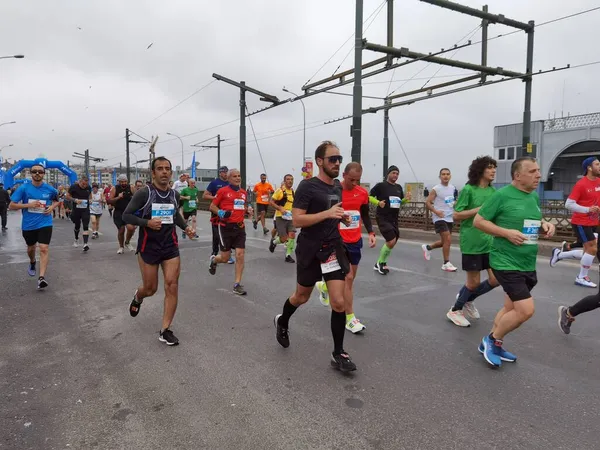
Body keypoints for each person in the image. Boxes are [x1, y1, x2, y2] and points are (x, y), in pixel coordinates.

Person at [273, 141, 357, 372]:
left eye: (339, 158)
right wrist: (328, 213)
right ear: (320, 161)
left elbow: (331, 214)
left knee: (338, 302)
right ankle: (282, 321)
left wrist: (340, 218)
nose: (337, 163)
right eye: (333, 159)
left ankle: (338, 352)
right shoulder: (307, 186)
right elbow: (298, 220)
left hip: (332, 248)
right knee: (301, 297)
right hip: (310, 248)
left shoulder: (337, 187)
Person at [474, 157, 555, 367]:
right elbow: (478, 221)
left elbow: (531, 221)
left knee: (510, 308)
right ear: (518, 175)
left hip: (527, 262)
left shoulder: (533, 197)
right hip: (505, 261)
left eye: (538, 170)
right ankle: (491, 340)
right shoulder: (501, 196)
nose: (538, 175)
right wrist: (505, 233)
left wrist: (544, 224)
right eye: (532, 171)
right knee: (525, 310)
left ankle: (494, 343)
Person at [122, 156, 195, 346]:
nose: (164, 171)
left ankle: (165, 330)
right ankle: (138, 297)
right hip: (149, 246)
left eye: (167, 168)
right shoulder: (144, 194)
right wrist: (146, 223)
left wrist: (186, 227)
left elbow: (174, 215)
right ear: (153, 173)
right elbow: (126, 215)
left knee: (172, 285)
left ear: (171, 173)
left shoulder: (174, 195)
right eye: (160, 168)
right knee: (150, 288)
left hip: (170, 246)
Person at [316, 162, 377, 333]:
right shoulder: (334, 190)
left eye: (358, 180)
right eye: (352, 180)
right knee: (348, 278)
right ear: (343, 175)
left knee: (350, 278)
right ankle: (350, 318)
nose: (355, 183)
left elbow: (364, 213)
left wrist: (371, 233)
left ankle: (324, 286)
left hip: (355, 240)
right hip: (336, 240)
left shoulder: (362, 193)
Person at [446, 156, 499, 327]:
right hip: (472, 240)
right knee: (474, 282)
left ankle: (468, 299)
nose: (493, 171)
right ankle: (455, 309)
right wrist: (477, 210)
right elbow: (456, 215)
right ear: (480, 170)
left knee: (495, 279)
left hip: (489, 241)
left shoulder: (493, 192)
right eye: (489, 167)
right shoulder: (468, 190)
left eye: (494, 168)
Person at [549, 156, 600, 288]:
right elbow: (569, 204)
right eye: (597, 164)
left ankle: (559, 254)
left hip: (594, 222)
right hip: (581, 222)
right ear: (589, 168)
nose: (599, 167)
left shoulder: (599, 182)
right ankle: (581, 277)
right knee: (592, 249)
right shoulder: (581, 184)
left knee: (587, 252)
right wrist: (587, 209)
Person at [9, 163, 59, 290]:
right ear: (31, 173)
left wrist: (52, 207)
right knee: (31, 249)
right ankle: (32, 262)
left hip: (45, 222)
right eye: (34, 171)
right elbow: (12, 206)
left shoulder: (50, 189)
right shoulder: (23, 188)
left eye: (40, 172)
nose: (37, 173)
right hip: (29, 225)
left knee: (43, 248)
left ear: (43, 174)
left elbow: (58, 199)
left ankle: (41, 278)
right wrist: (28, 205)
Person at [209, 169, 253, 295]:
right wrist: (221, 212)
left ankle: (237, 284)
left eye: (239, 176)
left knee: (240, 255)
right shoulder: (222, 191)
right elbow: (212, 206)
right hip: (225, 227)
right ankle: (214, 260)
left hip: (239, 227)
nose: (238, 178)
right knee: (225, 257)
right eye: (234, 176)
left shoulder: (243, 193)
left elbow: (241, 208)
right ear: (228, 179)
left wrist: (247, 211)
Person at [369, 165, 410, 275]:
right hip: (383, 217)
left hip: (394, 218)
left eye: (397, 173)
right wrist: (378, 203)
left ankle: (379, 262)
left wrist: (406, 200)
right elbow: (369, 197)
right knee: (391, 240)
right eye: (393, 173)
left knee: (394, 240)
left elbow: (399, 202)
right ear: (388, 174)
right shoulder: (381, 186)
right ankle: (381, 263)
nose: (395, 175)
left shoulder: (398, 188)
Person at [422, 168, 458, 272]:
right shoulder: (436, 189)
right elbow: (428, 202)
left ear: (450, 176)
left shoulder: (453, 188)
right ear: (440, 176)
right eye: (443, 174)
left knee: (444, 242)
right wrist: (436, 211)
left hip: (450, 217)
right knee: (448, 240)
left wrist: (455, 205)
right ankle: (446, 263)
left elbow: (454, 201)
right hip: (439, 218)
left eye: (447, 174)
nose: (445, 176)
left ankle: (428, 247)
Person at [203, 166, 234, 264]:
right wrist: (216, 198)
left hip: (228, 211)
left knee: (228, 232)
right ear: (220, 173)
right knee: (217, 234)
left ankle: (228, 254)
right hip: (216, 211)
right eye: (223, 172)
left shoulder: (230, 183)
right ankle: (215, 252)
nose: (225, 174)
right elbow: (205, 195)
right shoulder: (214, 183)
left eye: (226, 172)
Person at [268, 174, 296, 263]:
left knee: (292, 235)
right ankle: (274, 242)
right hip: (280, 217)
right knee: (283, 239)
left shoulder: (293, 192)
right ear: (284, 181)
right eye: (288, 179)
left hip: (290, 217)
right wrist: (280, 208)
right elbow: (271, 202)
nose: (290, 181)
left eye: (291, 179)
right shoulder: (279, 191)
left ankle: (288, 256)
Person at [109, 174, 136, 254]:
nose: (124, 183)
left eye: (125, 181)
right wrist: (118, 197)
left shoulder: (131, 187)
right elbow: (110, 200)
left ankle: (127, 242)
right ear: (119, 181)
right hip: (118, 211)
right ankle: (121, 246)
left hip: (129, 211)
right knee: (121, 230)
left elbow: (137, 198)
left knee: (131, 228)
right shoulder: (114, 188)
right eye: (122, 182)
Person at [67, 176, 92, 252]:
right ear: (80, 182)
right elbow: (67, 196)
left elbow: (90, 196)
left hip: (85, 209)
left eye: (86, 184)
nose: (84, 186)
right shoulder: (73, 187)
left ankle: (85, 244)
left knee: (85, 226)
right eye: (83, 184)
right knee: (77, 225)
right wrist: (74, 200)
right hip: (76, 210)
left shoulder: (88, 187)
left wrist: (90, 200)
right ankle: (76, 239)